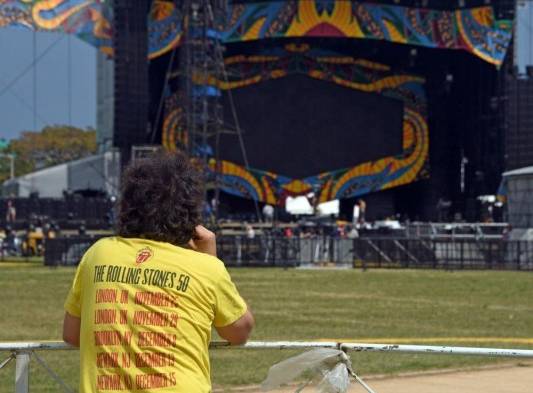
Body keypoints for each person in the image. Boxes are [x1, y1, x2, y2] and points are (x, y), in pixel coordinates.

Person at [62, 153, 254, 393]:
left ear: (127, 206)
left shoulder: (98, 254)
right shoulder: (206, 267)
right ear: (189, 213)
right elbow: (240, 332)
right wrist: (210, 259)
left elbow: (72, 335)